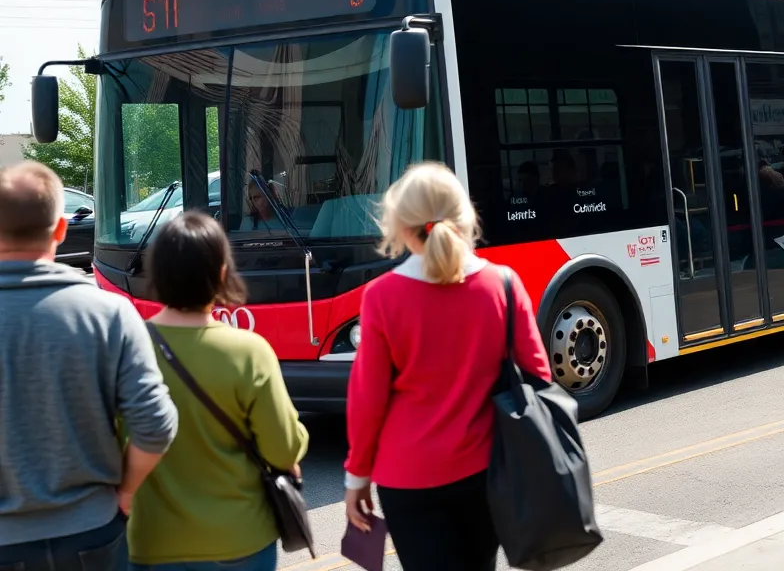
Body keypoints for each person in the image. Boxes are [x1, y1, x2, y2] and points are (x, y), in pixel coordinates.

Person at [344, 163, 550, 569]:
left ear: (402, 227)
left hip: (407, 478)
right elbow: (539, 378)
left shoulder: (381, 298)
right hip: (486, 471)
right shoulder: (503, 284)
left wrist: (357, 477)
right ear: (465, 217)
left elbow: (367, 401)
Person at [0, 162, 177, 570]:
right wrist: (127, 493)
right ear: (61, 230)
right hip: (91, 532)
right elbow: (156, 424)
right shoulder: (110, 312)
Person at [127, 212, 309, 571]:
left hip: (152, 542)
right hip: (241, 540)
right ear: (222, 273)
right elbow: (283, 447)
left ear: (156, 274)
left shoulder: (127, 347)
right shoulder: (248, 352)